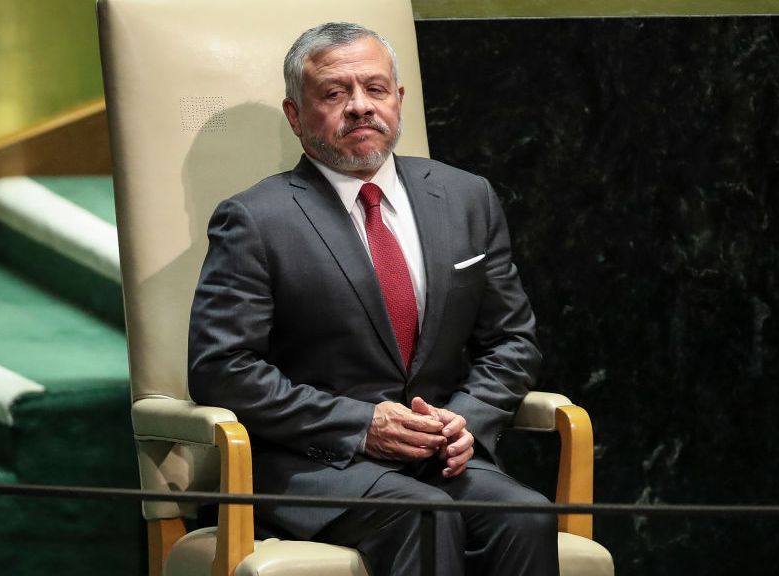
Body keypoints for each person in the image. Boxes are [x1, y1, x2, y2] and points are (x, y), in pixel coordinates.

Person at [188, 21, 558, 576]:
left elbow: (511, 341)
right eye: (335, 93)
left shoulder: (465, 197)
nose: (360, 107)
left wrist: (465, 418)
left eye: (375, 89)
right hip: (314, 464)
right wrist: (361, 423)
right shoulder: (256, 220)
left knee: (526, 514)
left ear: (399, 99)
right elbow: (222, 369)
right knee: (422, 516)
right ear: (295, 115)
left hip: (439, 457)